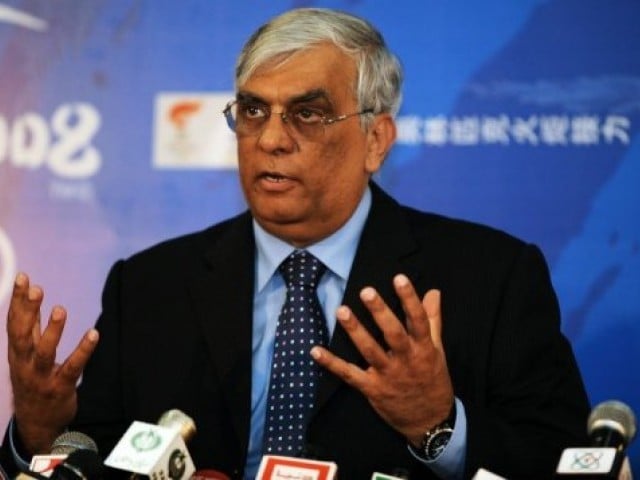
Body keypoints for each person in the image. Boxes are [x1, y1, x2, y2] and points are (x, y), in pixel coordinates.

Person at [2, 7, 589, 480]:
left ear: (376, 140)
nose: (271, 139)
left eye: (307, 114)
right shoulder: (150, 286)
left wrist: (438, 425)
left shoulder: (491, 277)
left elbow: (563, 459)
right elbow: (91, 457)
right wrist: (40, 431)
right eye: (253, 110)